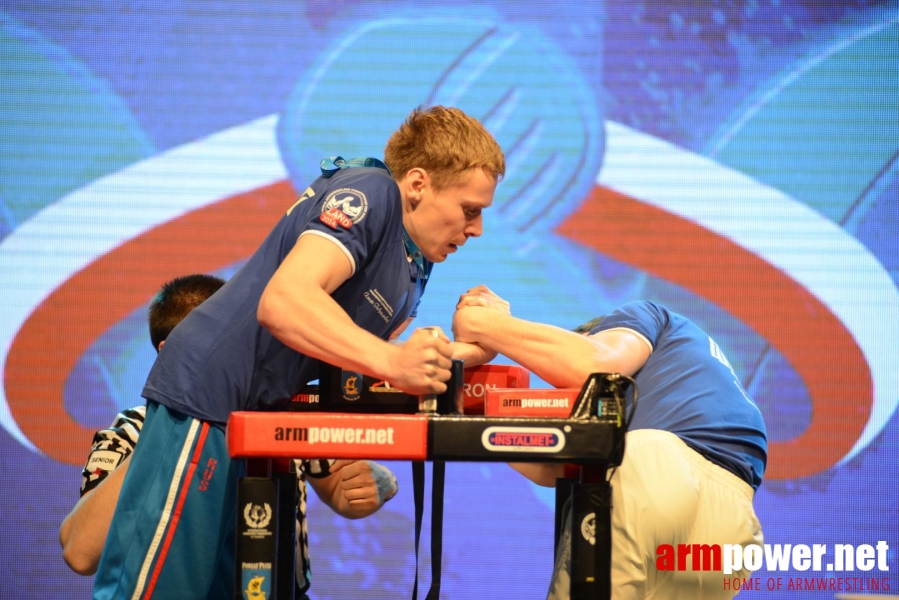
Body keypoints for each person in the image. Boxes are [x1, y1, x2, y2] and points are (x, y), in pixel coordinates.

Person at [93, 106, 505, 599]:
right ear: (417, 183)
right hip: (206, 401)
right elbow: (286, 302)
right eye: (470, 209)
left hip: (254, 423)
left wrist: (472, 349)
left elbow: (352, 351)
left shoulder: (413, 263)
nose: (476, 229)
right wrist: (395, 362)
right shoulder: (370, 192)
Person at [60, 274, 399, 598]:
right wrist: (167, 436)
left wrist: (373, 485)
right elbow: (80, 552)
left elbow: (341, 488)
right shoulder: (133, 431)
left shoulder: (272, 415)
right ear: (170, 353)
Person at [452, 286, 767, 599]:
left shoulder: (644, 317)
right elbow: (554, 469)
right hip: (735, 525)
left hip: (657, 467)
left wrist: (485, 324)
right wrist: (476, 418)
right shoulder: (693, 376)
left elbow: (594, 363)